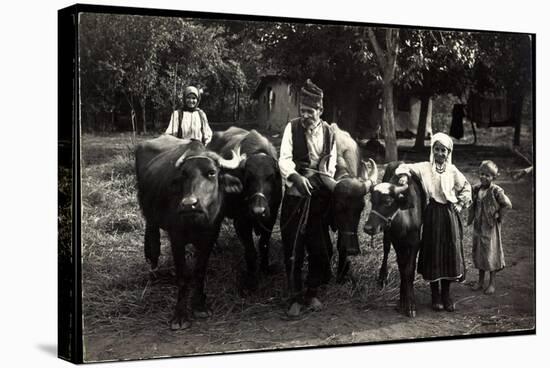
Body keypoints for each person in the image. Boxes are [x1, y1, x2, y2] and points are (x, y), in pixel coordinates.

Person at [278, 79, 337, 318]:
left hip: (320, 196)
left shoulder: (329, 132)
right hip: (296, 194)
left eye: (310, 111)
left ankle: (312, 291)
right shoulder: (291, 128)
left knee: (319, 246)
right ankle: (294, 297)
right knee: (293, 247)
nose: (305, 115)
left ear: (320, 111)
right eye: (302, 110)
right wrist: (295, 177)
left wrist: (322, 180)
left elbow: (331, 164)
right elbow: (283, 159)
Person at [395, 132, 471, 312]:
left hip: (449, 214)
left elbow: (466, 188)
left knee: (449, 251)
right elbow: (404, 166)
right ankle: (435, 295)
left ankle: (446, 294)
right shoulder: (425, 168)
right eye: (436, 149)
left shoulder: (452, 171)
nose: (439, 153)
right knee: (433, 251)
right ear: (432, 150)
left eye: (443, 150)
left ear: (448, 152)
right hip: (432, 215)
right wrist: (405, 176)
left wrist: (460, 204)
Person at [467, 160, 512, 295]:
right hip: (479, 227)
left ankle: (492, 282)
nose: (484, 177)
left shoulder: (496, 191)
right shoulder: (476, 189)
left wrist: (499, 216)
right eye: (482, 174)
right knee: (480, 252)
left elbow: (507, 204)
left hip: (490, 228)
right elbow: (470, 202)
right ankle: (480, 281)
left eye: (488, 175)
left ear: (493, 177)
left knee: (491, 253)